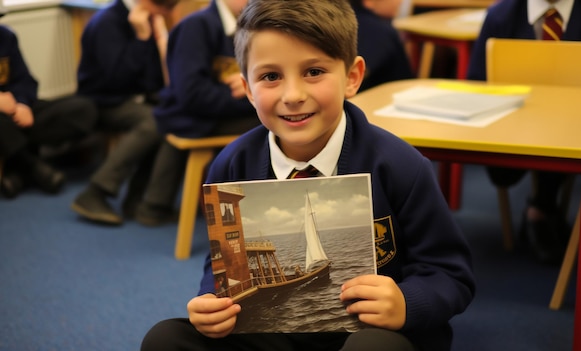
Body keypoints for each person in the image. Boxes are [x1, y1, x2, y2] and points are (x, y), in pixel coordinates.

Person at [141, 1, 475, 350]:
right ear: (248, 89)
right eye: (271, 76)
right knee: (165, 339)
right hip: (274, 331)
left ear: (352, 77)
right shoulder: (231, 165)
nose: (293, 95)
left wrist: (407, 302)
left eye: (313, 72)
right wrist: (212, 300)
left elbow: (450, 274)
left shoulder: (401, 166)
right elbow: (221, 264)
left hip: (372, 334)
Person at [466, 0, 581, 264]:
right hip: (511, 124)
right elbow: (476, 84)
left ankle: (556, 220)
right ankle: (543, 211)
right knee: (504, 168)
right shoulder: (501, 15)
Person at [133, 0, 259, 226]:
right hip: (194, 113)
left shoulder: (247, 25)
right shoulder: (196, 26)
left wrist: (251, 85)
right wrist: (253, 95)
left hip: (200, 111)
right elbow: (192, 95)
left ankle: (154, 205)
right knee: (269, 124)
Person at [71, 0, 178, 225]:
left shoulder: (148, 20)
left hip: (136, 99)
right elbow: (116, 79)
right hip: (102, 101)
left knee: (168, 117)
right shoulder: (107, 22)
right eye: (165, 8)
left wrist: (161, 43)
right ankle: (95, 192)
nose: (167, 13)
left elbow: (154, 81)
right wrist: (141, 38)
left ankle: (138, 201)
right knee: (153, 121)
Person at [0, 24, 97, 199]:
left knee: (83, 109)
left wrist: (22, 104)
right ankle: (33, 166)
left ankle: (18, 172)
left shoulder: (6, 36)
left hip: (15, 110)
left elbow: (25, 80)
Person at [349, 0, 414, 91]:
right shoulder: (382, 33)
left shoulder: (341, 24)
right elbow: (405, 82)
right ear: (369, 1)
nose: (400, 2)